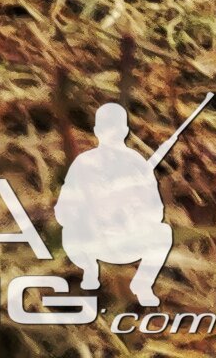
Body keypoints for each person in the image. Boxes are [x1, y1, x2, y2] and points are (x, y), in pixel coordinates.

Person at [58, 104, 175, 307]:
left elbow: (156, 211)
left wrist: (130, 212)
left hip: (128, 240)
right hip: (91, 242)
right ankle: (90, 271)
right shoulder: (84, 163)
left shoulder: (138, 164)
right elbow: (63, 210)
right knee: (69, 232)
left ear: (124, 131)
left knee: (163, 232)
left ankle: (142, 284)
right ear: (97, 132)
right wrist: (90, 213)